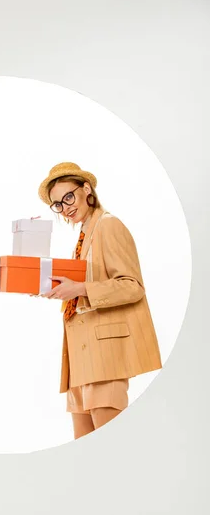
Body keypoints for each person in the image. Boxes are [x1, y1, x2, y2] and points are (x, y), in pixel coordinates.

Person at [36, 162, 162, 439]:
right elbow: (87, 285)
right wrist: (59, 288)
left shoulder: (109, 225)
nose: (65, 207)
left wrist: (80, 288)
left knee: (109, 451)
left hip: (105, 359)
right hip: (79, 361)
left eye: (68, 197)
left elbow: (132, 287)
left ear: (87, 189)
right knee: (85, 453)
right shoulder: (84, 234)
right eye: (58, 204)